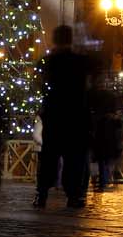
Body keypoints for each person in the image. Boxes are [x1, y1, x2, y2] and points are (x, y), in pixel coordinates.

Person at [34, 25, 94, 209]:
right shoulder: (81, 61)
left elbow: (39, 86)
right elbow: (91, 88)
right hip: (77, 116)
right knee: (74, 159)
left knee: (48, 157)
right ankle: (73, 196)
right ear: (71, 39)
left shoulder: (47, 61)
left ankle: (42, 194)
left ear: (55, 39)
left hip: (54, 115)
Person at [91, 91, 123, 193]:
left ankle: (103, 183)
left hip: (102, 146)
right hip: (107, 146)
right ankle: (104, 183)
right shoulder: (109, 120)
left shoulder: (100, 119)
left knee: (103, 165)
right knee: (106, 165)